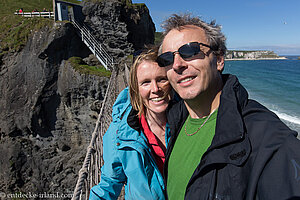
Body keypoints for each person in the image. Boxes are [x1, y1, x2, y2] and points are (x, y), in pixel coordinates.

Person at [157, 13, 300, 199]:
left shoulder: (269, 139)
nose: (177, 65)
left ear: (219, 60)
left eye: (190, 51)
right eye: (167, 58)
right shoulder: (174, 120)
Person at [89, 48, 171, 199]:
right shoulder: (120, 132)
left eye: (161, 79)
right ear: (135, 90)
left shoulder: (191, 120)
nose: (155, 89)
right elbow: (110, 181)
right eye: (145, 82)